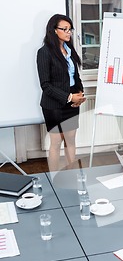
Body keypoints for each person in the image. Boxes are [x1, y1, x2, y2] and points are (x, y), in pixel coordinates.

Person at [37, 13, 86, 171]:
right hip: (54, 104)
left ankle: (74, 175)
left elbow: (75, 76)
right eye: (64, 29)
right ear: (54, 30)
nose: (68, 32)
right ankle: (54, 179)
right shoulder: (44, 52)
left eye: (70, 29)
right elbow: (46, 85)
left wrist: (79, 95)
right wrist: (69, 97)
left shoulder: (69, 50)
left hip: (72, 101)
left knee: (71, 140)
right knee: (56, 142)